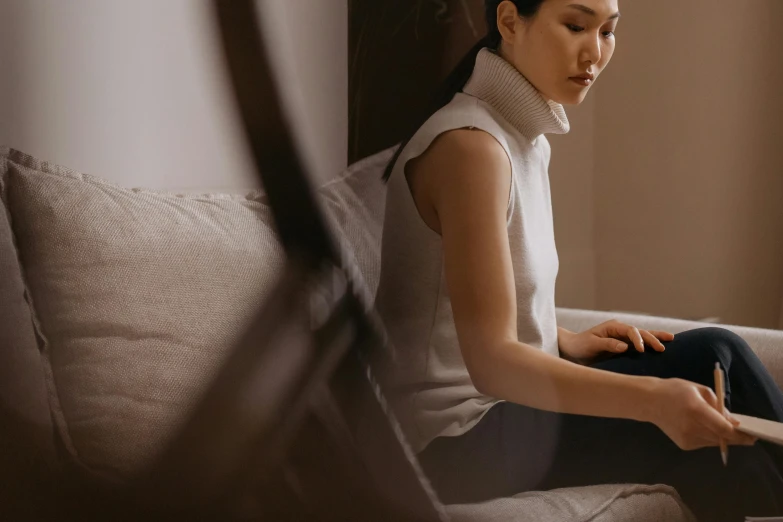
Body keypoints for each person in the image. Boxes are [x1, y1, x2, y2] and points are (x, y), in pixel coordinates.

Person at [374, 1, 783, 520]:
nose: (595, 51)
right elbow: (492, 363)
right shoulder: (470, 147)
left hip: (494, 415)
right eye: (575, 25)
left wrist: (558, 338)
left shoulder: (519, 137)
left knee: (719, 391)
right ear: (508, 22)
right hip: (450, 444)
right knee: (705, 384)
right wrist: (654, 399)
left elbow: (460, 309)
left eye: (608, 31)